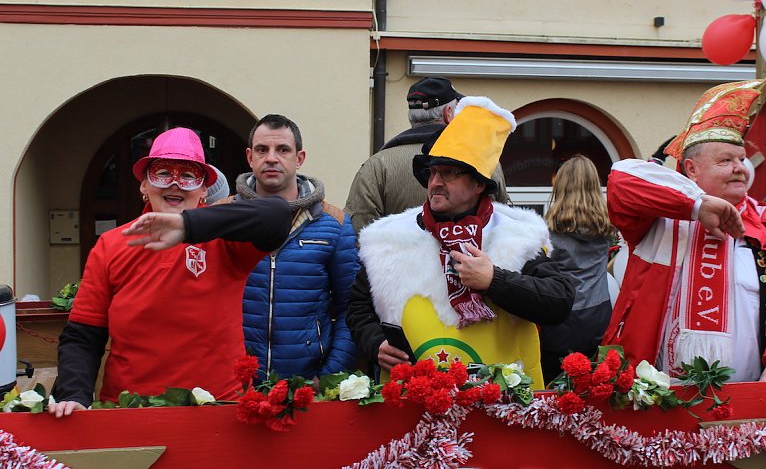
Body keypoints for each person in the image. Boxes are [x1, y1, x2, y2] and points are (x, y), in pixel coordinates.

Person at [50, 127, 293, 417]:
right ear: (143, 186)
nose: (175, 184)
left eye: (189, 176)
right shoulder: (111, 244)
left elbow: (277, 215)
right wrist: (74, 394)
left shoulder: (225, 240)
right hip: (129, 410)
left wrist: (188, 225)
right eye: (162, 173)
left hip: (219, 408)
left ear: (204, 189)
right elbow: (83, 334)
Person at [347, 96, 576, 389]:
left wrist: (494, 280)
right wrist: (375, 342)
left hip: (501, 408)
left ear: (479, 183)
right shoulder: (389, 237)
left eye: (450, 173)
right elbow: (357, 307)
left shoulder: (516, 236)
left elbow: (559, 301)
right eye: (432, 172)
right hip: (412, 406)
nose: (435, 182)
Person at [602, 78, 766, 382]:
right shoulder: (659, 219)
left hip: (746, 396)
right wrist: (696, 205)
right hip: (654, 398)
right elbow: (621, 179)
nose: (740, 168)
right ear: (691, 169)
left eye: (741, 159)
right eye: (725, 160)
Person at [227, 114, 359, 383]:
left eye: (283, 150)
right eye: (262, 150)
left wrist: (330, 375)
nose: (272, 158)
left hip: (307, 384)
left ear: (299, 158)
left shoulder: (335, 224)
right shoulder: (224, 217)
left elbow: (351, 308)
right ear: (250, 157)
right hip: (232, 384)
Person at [344, 77, 508, 236]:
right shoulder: (481, 161)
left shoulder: (377, 166)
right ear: (448, 113)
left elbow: (359, 233)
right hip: (474, 261)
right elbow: (500, 221)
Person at [539, 155, 614, 382]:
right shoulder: (607, 226)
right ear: (594, 185)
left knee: (553, 390)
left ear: (560, 186)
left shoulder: (547, 231)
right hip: (599, 312)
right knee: (593, 386)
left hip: (560, 316)